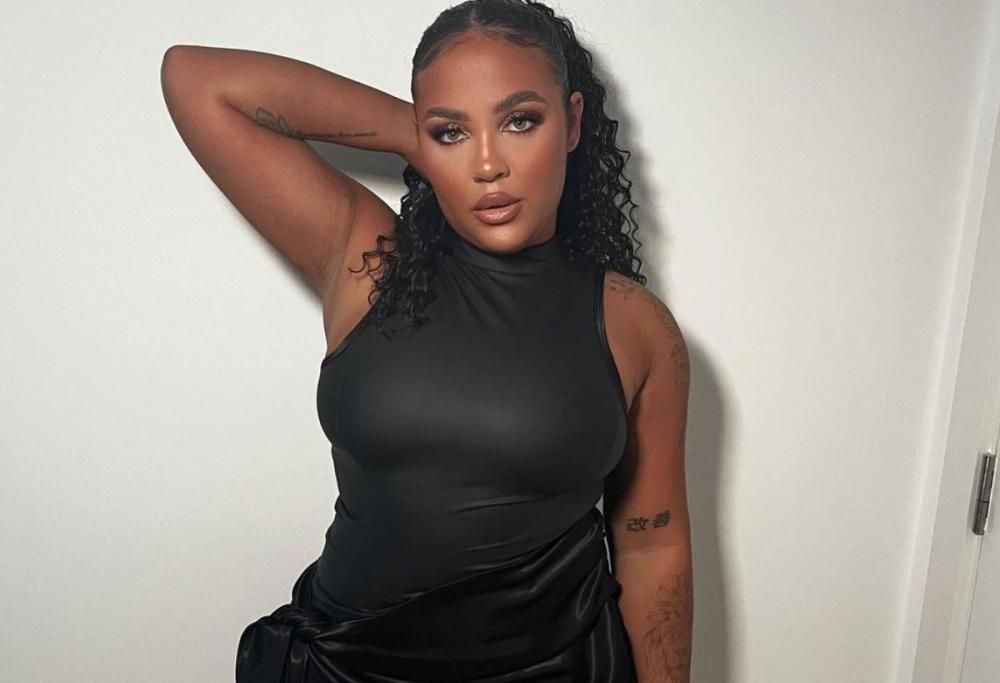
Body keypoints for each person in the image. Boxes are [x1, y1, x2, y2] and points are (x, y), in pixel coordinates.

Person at [161, 0, 693, 680]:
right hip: (344, 668)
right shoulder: (370, 264)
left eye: (520, 121)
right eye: (453, 132)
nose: (488, 164)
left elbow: (653, 544)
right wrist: (416, 134)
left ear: (573, 122)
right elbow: (197, 81)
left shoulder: (634, 325)